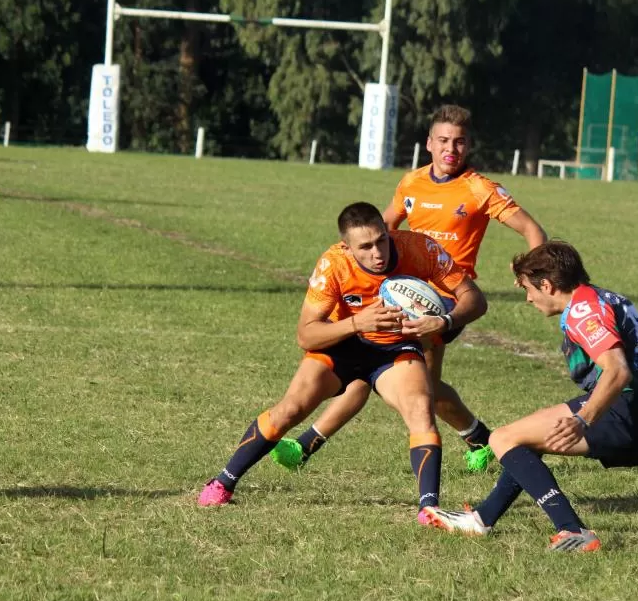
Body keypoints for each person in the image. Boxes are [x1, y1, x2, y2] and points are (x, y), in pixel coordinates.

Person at [271, 104, 547, 474]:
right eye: (444, 140)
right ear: (429, 143)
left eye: (460, 142)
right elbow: (381, 228)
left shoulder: (480, 189)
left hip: (444, 299)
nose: (452, 149)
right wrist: (347, 260)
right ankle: (480, 437)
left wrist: (531, 273)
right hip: (395, 290)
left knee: (380, 373)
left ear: (470, 146)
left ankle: (306, 445)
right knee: (418, 387)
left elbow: (533, 231)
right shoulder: (411, 182)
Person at [198, 202, 488, 523]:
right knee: (290, 410)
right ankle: (223, 483)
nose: (377, 252)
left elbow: (474, 298)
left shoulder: (418, 248)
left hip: (394, 349)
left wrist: (445, 321)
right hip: (343, 344)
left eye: (381, 240)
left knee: (421, 409)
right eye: (365, 246)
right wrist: (357, 324)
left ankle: (428, 508)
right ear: (347, 248)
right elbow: (306, 336)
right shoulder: (333, 265)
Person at [421, 241, 638, 551]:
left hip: (626, 412)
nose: (528, 298)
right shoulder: (602, 297)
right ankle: (481, 519)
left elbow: (617, 371)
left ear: (548, 285)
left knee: (502, 439)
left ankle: (572, 529)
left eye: (529, 289)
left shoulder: (583, 311)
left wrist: (583, 418)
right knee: (523, 436)